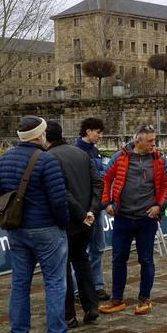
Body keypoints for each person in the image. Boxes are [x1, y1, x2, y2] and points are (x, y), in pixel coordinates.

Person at [0, 116, 80, 333]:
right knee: (55, 282)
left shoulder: (6, 158)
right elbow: (58, 200)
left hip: (17, 229)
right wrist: (63, 224)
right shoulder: (47, 160)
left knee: (20, 283)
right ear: (40, 135)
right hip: (46, 229)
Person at [98, 124, 167, 316]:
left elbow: (166, 186)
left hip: (147, 219)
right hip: (122, 218)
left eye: (155, 140)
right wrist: (107, 203)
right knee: (118, 259)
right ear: (138, 141)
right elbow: (105, 179)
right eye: (150, 141)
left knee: (146, 259)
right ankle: (117, 299)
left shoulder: (159, 160)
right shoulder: (120, 157)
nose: (154, 144)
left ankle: (144, 299)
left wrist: (159, 206)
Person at [44, 120, 103, 328]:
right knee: (82, 261)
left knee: (63, 268)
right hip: (86, 220)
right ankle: (91, 305)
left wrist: (82, 213)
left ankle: (69, 313)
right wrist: (92, 210)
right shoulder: (82, 153)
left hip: (67, 221)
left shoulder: (49, 157)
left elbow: (61, 190)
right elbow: (98, 183)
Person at [73, 117, 111, 301]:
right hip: (84, 208)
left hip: (97, 207)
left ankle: (96, 285)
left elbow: (100, 175)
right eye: (98, 132)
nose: (100, 136)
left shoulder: (94, 152)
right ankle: (79, 289)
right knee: (81, 251)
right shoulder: (76, 151)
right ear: (87, 131)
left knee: (98, 247)